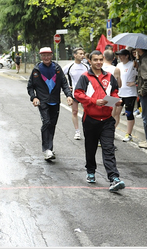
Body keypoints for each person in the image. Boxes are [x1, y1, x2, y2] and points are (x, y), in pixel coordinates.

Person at [74, 50, 125, 192]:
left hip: (108, 120)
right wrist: (94, 101)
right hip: (90, 119)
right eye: (95, 60)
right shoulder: (84, 77)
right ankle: (90, 171)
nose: (98, 62)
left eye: (100, 59)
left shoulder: (109, 76)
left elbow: (114, 91)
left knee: (108, 149)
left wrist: (117, 100)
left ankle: (114, 178)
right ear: (90, 61)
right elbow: (78, 93)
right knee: (90, 148)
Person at [27, 47, 73, 160]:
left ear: (52, 55)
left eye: (48, 55)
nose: (46, 57)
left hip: (55, 101)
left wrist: (69, 96)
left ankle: (50, 149)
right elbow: (30, 86)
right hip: (42, 101)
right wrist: (34, 97)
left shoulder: (57, 68)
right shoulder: (37, 70)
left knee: (52, 124)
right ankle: (46, 149)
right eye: (44, 55)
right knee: (46, 122)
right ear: (41, 57)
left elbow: (64, 84)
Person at [63, 47, 89, 140]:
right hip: (74, 93)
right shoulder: (69, 66)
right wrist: (66, 86)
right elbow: (59, 76)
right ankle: (77, 131)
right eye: (80, 54)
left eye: (83, 54)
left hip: (85, 93)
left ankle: (87, 130)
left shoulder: (86, 66)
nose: (82, 55)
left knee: (87, 112)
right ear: (75, 55)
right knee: (75, 112)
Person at [114, 49, 138, 142]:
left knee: (128, 113)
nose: (119, 57)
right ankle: (112, 131)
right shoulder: (118, 65)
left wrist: (135, 82)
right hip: (120, 93)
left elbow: (141, 75)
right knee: (116, 113)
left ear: (127, 56)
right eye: (118, 55)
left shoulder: (133, 64)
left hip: (130, 94)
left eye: (121, 55)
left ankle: (129, 134)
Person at [103, 49, 122, 128]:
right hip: (111, 95)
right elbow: (119, 85)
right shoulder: (116, 69)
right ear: (113, 58)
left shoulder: (98, 67)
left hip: (99, 94)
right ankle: (109, 131)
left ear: (103, 57)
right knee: (112, 115)